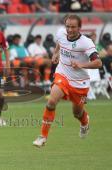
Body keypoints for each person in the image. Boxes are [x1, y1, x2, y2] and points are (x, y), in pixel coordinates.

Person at [33, 14, 102, 147]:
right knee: (52, 100)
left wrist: (81, 65)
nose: (70, 30)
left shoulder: (86, 43)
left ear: (80, 28)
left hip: (80, 82)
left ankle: (84, 122)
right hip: (62, 74)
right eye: (68, 26)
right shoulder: (61, 33)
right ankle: (43, 137)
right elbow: (60, 41)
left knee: (77, 113)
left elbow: (98, 63)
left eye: (73, 27)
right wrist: (56, 53)